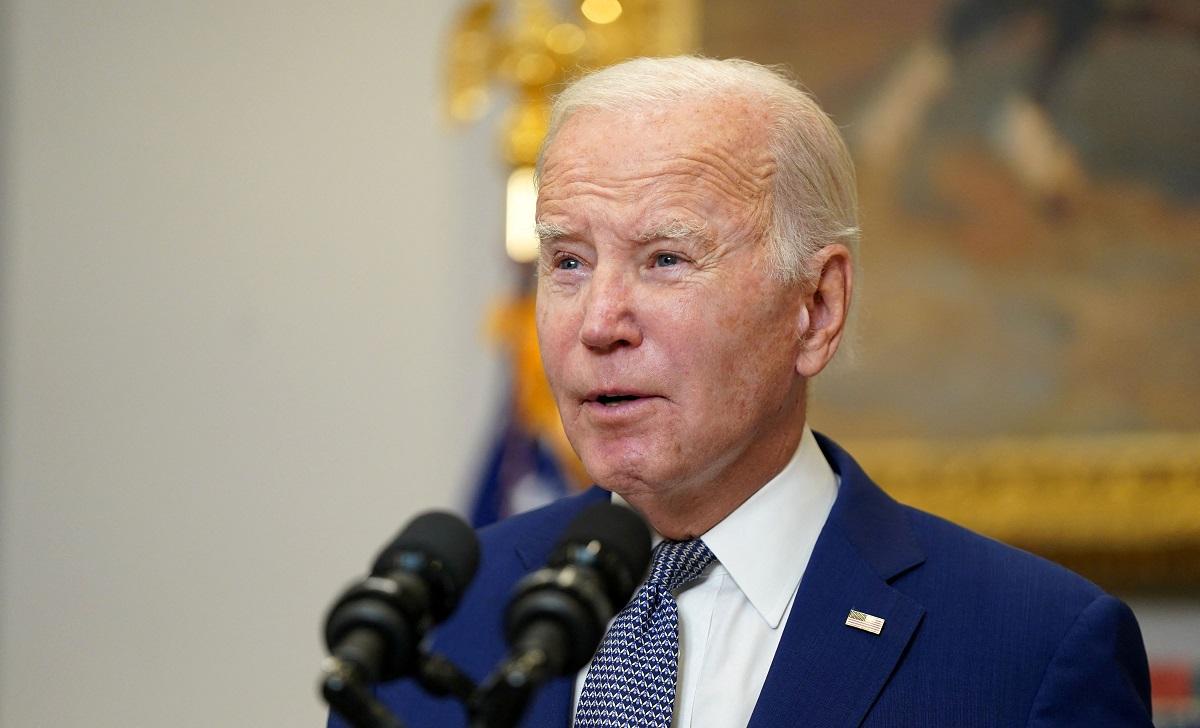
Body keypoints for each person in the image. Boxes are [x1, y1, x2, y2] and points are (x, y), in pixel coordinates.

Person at [331, 56, 1151, 727]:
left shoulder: (1031, 650)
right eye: (569, 261)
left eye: (666, 259)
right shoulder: (434, 623)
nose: (599, 322)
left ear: (816, 307)